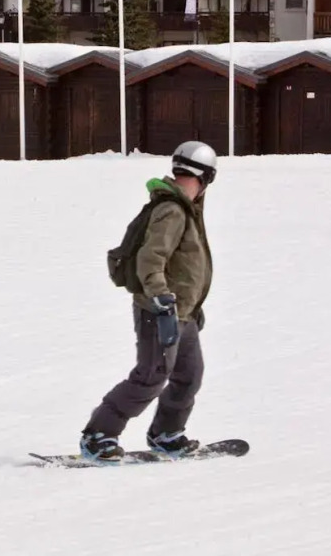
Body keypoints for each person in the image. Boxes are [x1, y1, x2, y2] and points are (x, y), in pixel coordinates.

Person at [81, 141, 216, 462]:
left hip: (183, 313)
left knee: (189, 375)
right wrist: (162, 299)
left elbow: (184, 267)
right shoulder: (171, 210)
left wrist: (192, 306)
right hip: (160, 310)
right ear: (206, 177)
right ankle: (98, 435)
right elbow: (150, 260)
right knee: (151, 376)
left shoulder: (184, 208)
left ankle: (167, 433)